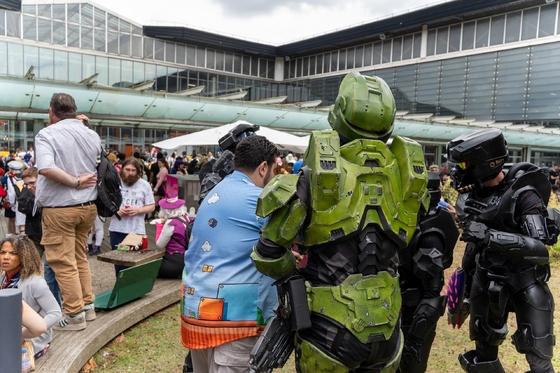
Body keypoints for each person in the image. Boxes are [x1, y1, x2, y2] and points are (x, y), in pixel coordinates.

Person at [250, 72, 430, 372]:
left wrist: (296, 281)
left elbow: (267, 254)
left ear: (339, 115)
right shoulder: (408, 180)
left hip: (327, 329)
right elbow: (414, 247)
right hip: (387, 329)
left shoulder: (310, 179)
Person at [447, 128, 556, 373]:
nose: (458, 170)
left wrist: (489, 236)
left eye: (464, 164)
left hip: (525, 282)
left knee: (538, 359)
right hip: (485, 279)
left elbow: (539, 249)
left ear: (485, 162)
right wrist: (463, 293)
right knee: (483, 356)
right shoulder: (473, 196)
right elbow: (473, 246)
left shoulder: (524, 195)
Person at [181, 135, 279, 373]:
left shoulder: (220, 189)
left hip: (197, 312)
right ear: (263, 167)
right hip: (233, 320)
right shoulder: (259, 199)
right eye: (275, 170)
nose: (275, 178)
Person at [35, 92, 100, 331]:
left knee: (62, 262)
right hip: (87, 208)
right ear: (74, 111)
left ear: (52, 112)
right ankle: (87, 307)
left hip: (60, 208)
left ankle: (74, 315)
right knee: (78, 258)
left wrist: (74, 181)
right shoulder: (90, 133)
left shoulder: (46, 134)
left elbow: (46, 168)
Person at [396, 172, 459, 373]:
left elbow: (433, 293)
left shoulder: (430, 233)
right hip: (397, 308)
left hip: (414, 314)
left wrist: (414, 340)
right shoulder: (408, 223)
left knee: (409, 367)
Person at [0, 235, 62, 359]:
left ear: (24, 256)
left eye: (13, 253)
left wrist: (23, 334)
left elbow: (56, 313)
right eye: (2, 252)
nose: (6, 257)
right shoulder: (4, 277)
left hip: (32, 336)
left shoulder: (35, 282)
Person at [20, 166, 61, 305]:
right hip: (34, 234)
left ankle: (54, 304)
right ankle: (32, 300)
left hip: (52, 235)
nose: (29, 186)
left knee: (50, 271)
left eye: (32, 183)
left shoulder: (51, 191)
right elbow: (21, 207)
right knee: (29, 267)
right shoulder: (28, 192)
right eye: (26, 184)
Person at [108, 157, 155, 274]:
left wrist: (138, 210)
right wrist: (115, 210)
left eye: (133, 170)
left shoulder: (144, 185)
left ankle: (133, 289)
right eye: (127, 170)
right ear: (121, 169)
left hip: (136, 230)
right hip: (116, 229)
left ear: (138, 171)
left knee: (134, 262)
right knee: (118, 261)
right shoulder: (115, 183)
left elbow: (152, 206)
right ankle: (120, 287)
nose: (130, 173)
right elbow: (107, 202)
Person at [155, 176, 192, 279]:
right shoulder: (187, 218)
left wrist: (159, 227)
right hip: (187, 261)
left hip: (174, 263)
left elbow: (160, 245)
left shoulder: (171, 223)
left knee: (148, 267)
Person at [5, 160, 26, 235]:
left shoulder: (10, 178)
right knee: (25, 222)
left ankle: (17, 237)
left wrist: (12, 204)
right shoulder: (24, 176)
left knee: (18, 223)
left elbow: (11, 193)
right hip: (26, 201)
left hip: (16, 201)